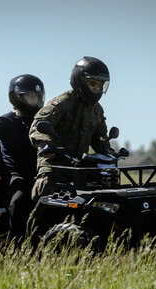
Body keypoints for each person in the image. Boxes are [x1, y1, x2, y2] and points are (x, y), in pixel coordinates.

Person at [29, 56, 112, 201]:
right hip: (55, 161)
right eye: (93, 83)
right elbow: (38, 126)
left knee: (102, 191)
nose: (97, 88)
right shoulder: (62, 102)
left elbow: (100, 136)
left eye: (100, 85)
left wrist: (107, 150)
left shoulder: (96, 109)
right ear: (79, 80)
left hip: (80, 163)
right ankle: (36, 220)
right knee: (47, 187)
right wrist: (47, 146)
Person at [0, 74, 45, 241]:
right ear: (17, 97)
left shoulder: (42, 120)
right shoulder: (5, 121)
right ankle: (17, 245)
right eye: (30, 95)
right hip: (17, 174)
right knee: (18, 202)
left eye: (37, 95)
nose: (34, 99)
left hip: (44, 172)